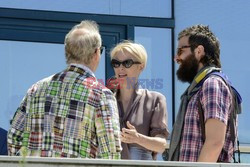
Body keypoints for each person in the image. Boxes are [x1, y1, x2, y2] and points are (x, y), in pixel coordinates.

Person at [7, 20, 121, 159]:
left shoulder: (36, 89)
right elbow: (110, 152)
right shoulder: (101, 95)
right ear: (97, 52)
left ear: (67, 52)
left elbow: (14, 136)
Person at [168, 24, 238, 162]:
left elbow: (215, 142)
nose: (176, 57)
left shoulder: (212, 84)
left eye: (180, 50)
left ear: (199, 51)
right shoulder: (197, 89)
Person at [109, 40, 169, 160]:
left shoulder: (155, 99)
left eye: (127, 63)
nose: (120, 68)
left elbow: (161, 145)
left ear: (141, 66)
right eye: (116, 63)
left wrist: (137, 138)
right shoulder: (106, 100)